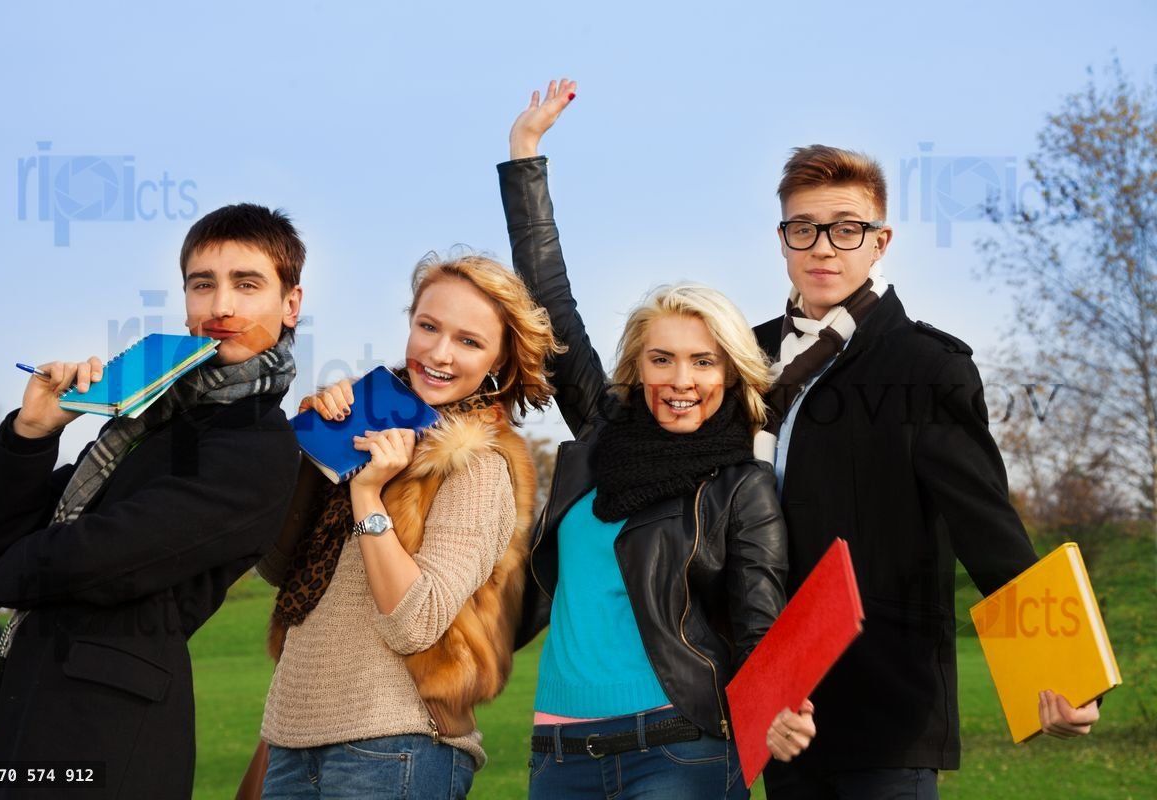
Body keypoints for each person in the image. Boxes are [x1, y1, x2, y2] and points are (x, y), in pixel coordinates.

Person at [753, 145, 1101, 799]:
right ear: (783, 239)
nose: (824, 247)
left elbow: (986, 524)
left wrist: (1068, 669)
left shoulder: (927, 366)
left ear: (880, 240)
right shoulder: (745, 355)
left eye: (846, 227)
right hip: (775, 704)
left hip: (886, 702)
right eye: (804, 228)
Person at [499, 80, 811, 800]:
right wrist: (525, 156)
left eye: (704, 361)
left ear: (731, 373)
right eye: (662, 358)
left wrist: (778, 704)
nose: (682, 380)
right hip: (559, 752)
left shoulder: (743, 485)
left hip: (680, 752)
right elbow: (549, 299)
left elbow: (760, 619)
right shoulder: (603, 437)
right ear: (635, 368)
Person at [0, 203, 305, 799]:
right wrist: (34, 432)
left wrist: (16, 568)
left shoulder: (257, 442)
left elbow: (102, 557)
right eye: (203, 284)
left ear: (290, 303)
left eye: (247, 284)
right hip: (15, 716)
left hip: (105, 738)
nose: (220, 305)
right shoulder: (146, 421)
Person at [254, 252, 563, 799]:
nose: (440, 354)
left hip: (396, 748)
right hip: (290, 739)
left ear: (499, 358)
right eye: (428, 327)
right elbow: (276, 567)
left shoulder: (477, 466)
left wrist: (367, 493)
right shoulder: (369, 424)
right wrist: (315, 446)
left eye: (469, 341)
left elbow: (414, 623)